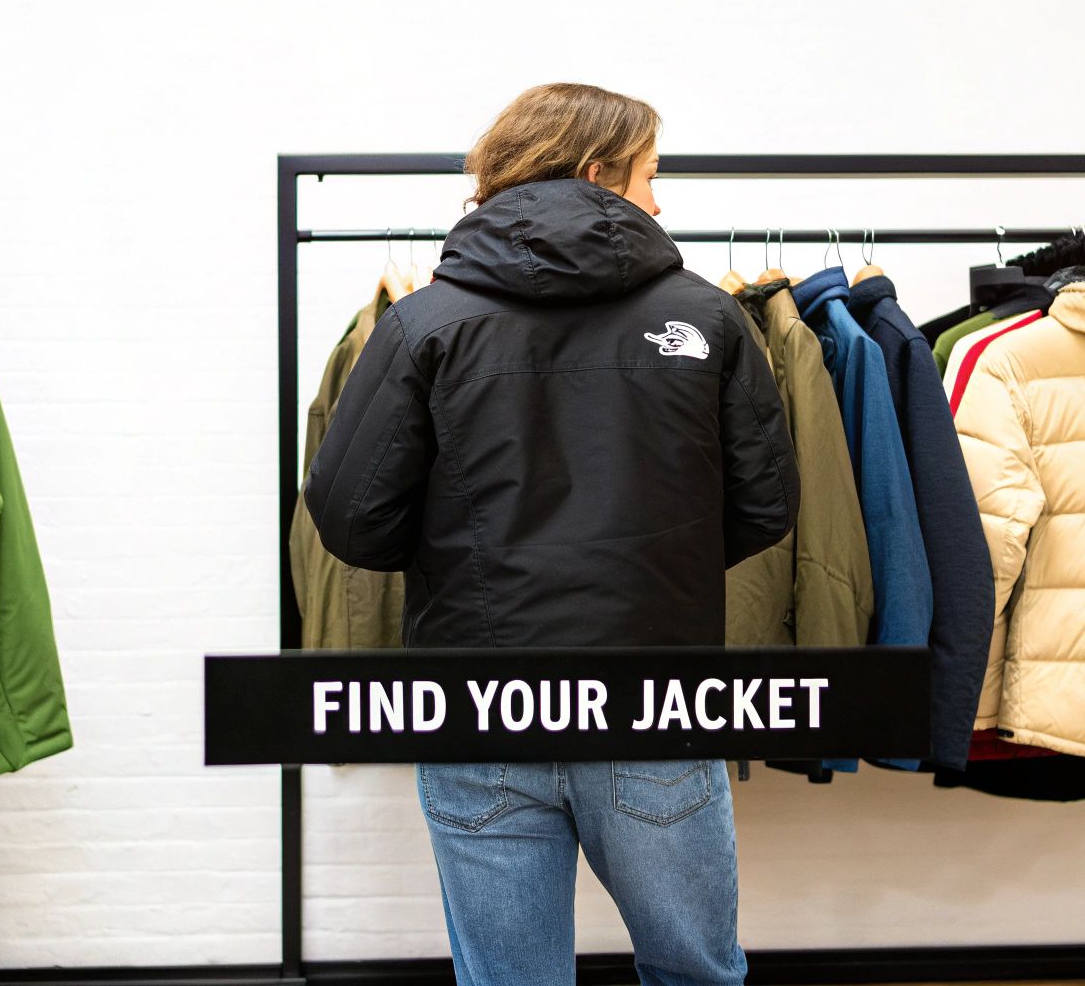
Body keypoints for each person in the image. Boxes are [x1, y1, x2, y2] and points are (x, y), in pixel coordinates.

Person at [305, 82, 798, 986]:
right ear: (597, 172)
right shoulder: (707, 318)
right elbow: (765, 506)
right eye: (652, 175)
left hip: (482, 710)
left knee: (508, 981)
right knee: (697, 975)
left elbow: (351, 522)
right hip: (656, 702)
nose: (659, 200)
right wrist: (656, 562)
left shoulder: (425, 323)